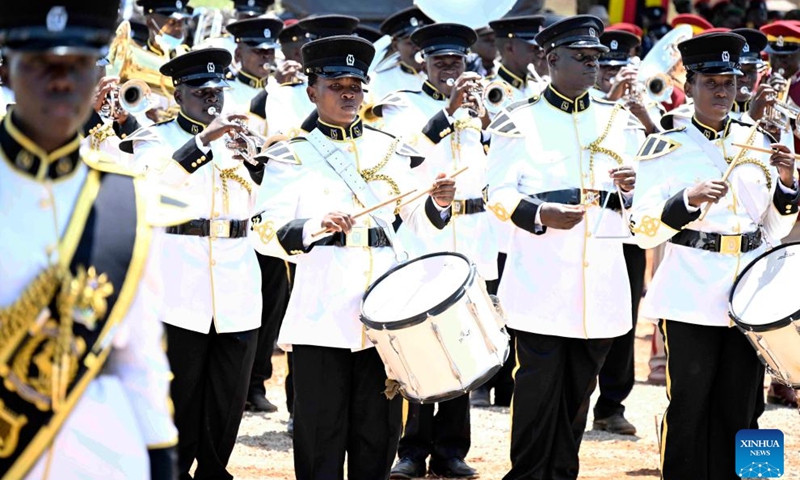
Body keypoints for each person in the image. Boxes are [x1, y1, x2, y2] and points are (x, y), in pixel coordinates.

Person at [251, 34, 457, 480]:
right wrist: (314, 225)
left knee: (377, 436)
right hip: (321, 314)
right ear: (312, 92)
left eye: (356, 87)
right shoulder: (291, 154)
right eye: (336, 86)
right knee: (320, 437)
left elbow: (411, 224)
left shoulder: (391, 148)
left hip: (383, 317)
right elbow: (263, 230)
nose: (348, 95)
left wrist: (436, 203)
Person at [0, 1, 179, 478]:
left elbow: (139, 356)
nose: (61, 80)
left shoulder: (128, 198)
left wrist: (161, 457)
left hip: (102, 451)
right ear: (7, 69)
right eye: (40, 63)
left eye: (78, 65)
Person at [630, 31, 799, 480]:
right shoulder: (665, 144)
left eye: (729, 81)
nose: (722, 90)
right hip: (690, 290)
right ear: (691, 84)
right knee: (689, 403)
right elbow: (641, 229)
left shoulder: (759, 139)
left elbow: (773, 226)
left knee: (746, 404)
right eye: (711, 82)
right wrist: (686, 200)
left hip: (749, 292)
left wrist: (786, 183)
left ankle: (752, 478)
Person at [485, 15, 643, 479]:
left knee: (578, 396)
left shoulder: (617, 121)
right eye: (582, 58)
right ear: (552, 60)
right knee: (536, 395)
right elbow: (497, 193)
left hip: (600, 287)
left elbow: (641, 198)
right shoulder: (519, 121)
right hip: (541, 282)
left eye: (597, 59)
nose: (593, 66)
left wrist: (632, 191)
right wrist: (538, 214)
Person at [121, 48, 263, 480]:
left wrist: (254, 159)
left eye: (218, 91)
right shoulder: (152, 138)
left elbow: (264, 202)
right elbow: (153, 188)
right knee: (180, 388)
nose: (212, 101)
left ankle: (215, 470)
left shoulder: (242, 139)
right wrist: (203, 142)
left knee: (228, 391)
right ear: (179, 94)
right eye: (201, 92)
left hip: (237, 276)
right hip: (179, 279)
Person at [375, 23, 487, 479]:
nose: (450, 69)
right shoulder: (403, 105)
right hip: (424, 231)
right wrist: (447, 112)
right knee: (420, 342)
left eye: (457, 62)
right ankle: (411, 446)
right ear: (421, 61)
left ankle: (451, 448)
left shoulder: (483, 106)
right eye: (441, 62)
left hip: (473, 230)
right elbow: (403, 159)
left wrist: (483, 119)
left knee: (462, 341)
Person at [585, 26, 649, 436]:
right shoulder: (584, 107)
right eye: (603, 69)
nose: (611, 78)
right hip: (587, 229)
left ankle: (612, 404)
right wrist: (610, 103)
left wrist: (641, 110)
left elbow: (671, 154)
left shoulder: (644, 104)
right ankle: (576, 394)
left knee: (624, 320)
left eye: (618, 70)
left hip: (629, 231)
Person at [264, 14, 359, 138]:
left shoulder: (363, 93)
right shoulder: (284, 96)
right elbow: (284, 146)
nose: (340, 57)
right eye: (333, 49)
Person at [369, 7, 432, 103]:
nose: (417, 48)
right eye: (410, 43)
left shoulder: (441, 75)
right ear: (395, 45)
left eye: (422, 42)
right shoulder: (381, 80)